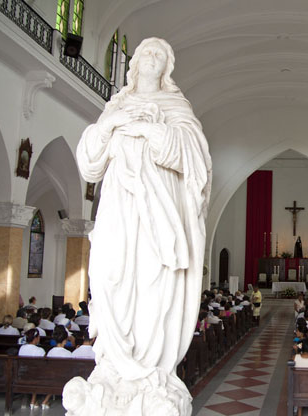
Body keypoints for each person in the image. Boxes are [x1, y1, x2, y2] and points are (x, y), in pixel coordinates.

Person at [69, 36, 212, 414]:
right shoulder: (115, 105)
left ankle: (148, 367)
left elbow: (193, 154)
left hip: (157, 210)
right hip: (118, 206)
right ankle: (115, 366)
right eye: (145, 52)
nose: (150, 57)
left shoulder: (175, 106)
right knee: (111, 276)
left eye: (158, 54)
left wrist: (152, 130)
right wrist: (113, 123)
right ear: (132, 65)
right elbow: (89, 163)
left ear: (167, 67)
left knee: (152, 279)